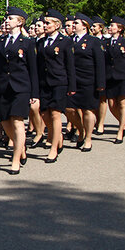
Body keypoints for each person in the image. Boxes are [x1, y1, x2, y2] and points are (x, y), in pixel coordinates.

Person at [0, 6, 38, 174]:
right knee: (4, 121)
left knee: (17, 121)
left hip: (21, 88)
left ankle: (15, 160)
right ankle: (20, 146)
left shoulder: (28, 43)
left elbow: (32, 70)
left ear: (20, 22)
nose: (6, 21)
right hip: (2, 87)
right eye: (6, 19)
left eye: (10, 19)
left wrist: (34, 94)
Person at [36, 10, 76, 162]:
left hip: (59, 82)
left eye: (48, 23)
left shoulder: (65, 42)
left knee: (55, 114)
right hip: (43, 82)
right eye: (44, 23)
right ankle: (57, 137)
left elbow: (70, 65)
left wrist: (72, 86)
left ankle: (53, 148)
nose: (45, 26)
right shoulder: (40, 42)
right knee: (45, 114)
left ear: (57, 25)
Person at [66, 13, 105, 152]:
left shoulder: (93, 41)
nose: (73, 25)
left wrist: (100, 83)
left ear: (85, 26)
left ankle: (88, 138)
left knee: (88, 110)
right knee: (69, 109)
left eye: (76, 23)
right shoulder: (69, 41)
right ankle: (81, 130)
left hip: (88, 80)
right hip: (72, 80)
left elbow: (100, 63)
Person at [104, 16, 125, 144]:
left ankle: (120, 131)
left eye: (113, 26)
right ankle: (123, 122)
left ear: (119, 29)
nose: (110, 28)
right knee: (112, 105)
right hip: (110, 78)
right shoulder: (106, 43)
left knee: (123, 104)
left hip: (123, 77)